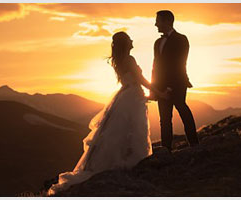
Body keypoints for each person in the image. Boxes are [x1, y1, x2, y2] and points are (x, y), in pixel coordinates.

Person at [47, 32, 167, 195]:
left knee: (118, 131)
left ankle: (116, 161)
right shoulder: (130, 60)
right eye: (129, 39)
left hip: (124, 95)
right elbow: (142, 80)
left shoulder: (117, 61)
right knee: (133, 129)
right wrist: (159, 93)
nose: (132, 41)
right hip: (132, 97)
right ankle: (132, 161)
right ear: (126, 43)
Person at [149, 10, 199, 152]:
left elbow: (178, 64)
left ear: (166, 22)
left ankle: (194, 143)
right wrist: (153, 89)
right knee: (164, 119)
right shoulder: (158, 42)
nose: (155, 24)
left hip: (178, 83)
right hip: (160, 86)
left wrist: (170, 87)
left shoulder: (181, 39)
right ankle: (166, 149)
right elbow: (155, 66)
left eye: (158, 21)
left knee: (183, 110)